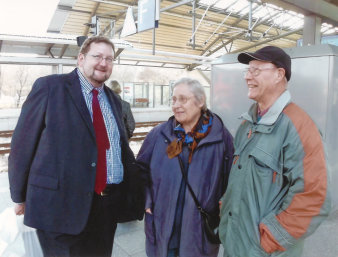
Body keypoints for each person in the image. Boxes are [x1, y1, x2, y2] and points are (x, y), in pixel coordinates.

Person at [8, 36, 146, 257]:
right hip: (61, 207)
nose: (103, 63)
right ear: (81, 59)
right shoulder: (51, 87)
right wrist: (20, 196)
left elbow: (117, 148)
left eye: (109, 59)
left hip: (106, 207)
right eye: (97, 56)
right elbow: (23, 144)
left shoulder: (113, 100)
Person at [219, 46, 331, 257]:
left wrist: (271, 238)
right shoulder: (247, 125)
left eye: (256, 70)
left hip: (265, 251)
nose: (248, 77)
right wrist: (226, 207)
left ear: (280, 74)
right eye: (247, 71)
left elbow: (316, 196)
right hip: (235, 244)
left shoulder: (299, 126)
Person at [137, 78, 234, 257]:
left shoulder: (221, 138)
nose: (176, 105)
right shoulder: (159, 135)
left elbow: (232, 180)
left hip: (198, 231)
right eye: (173, 100)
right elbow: (139, 170)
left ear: (200, 101)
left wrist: (222, 210)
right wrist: (147, 199)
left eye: (183, 99)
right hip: (162, 224)